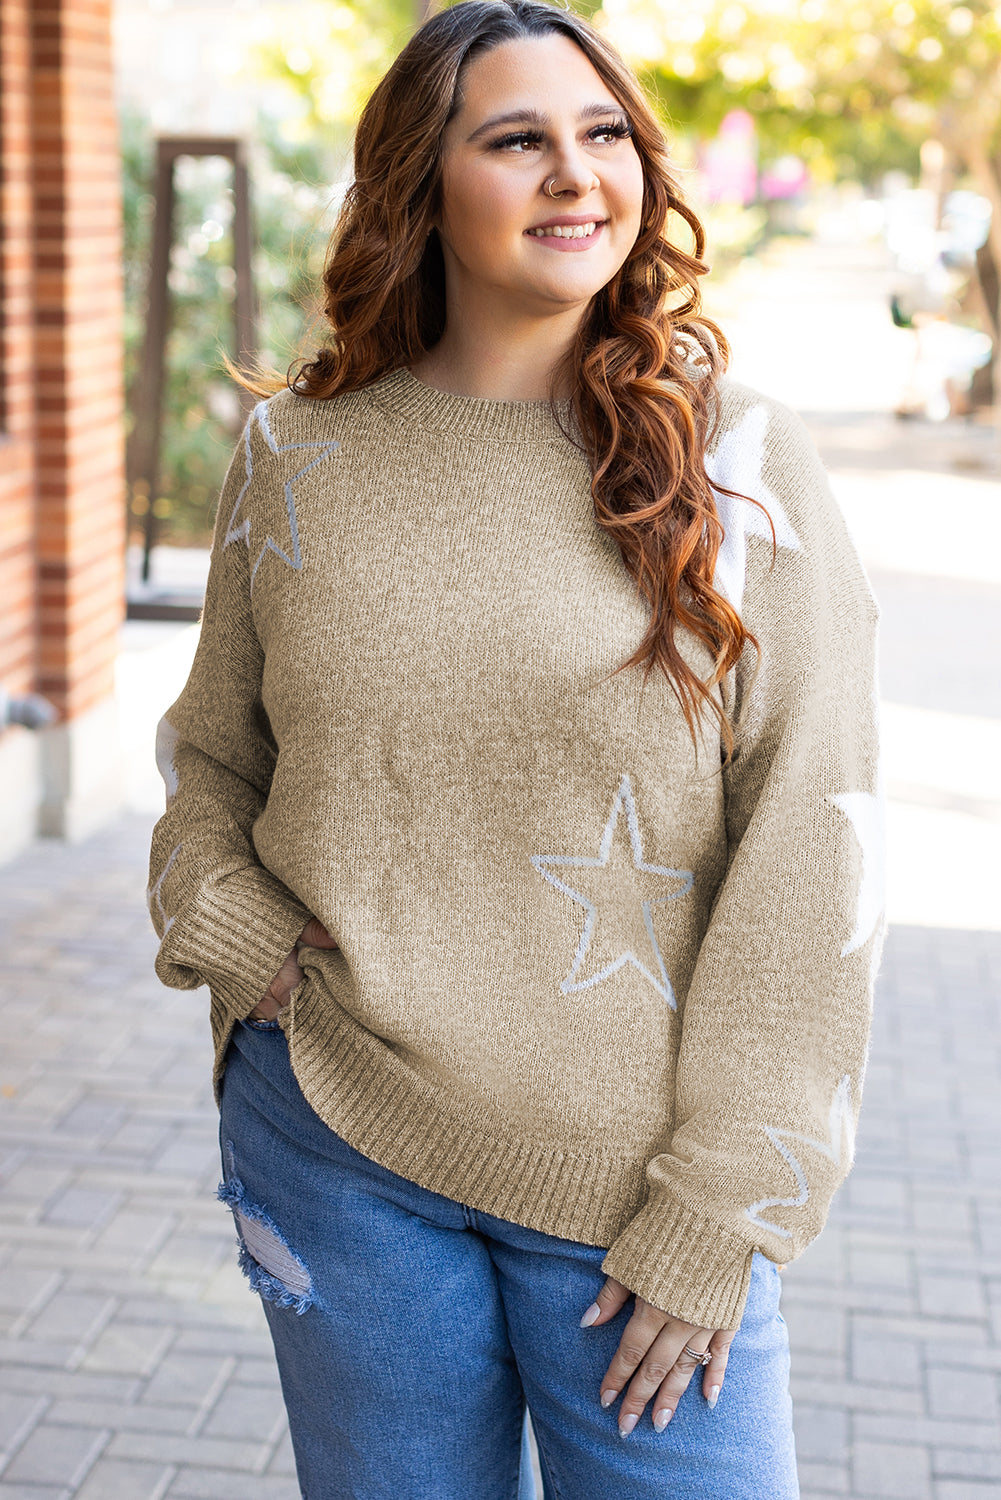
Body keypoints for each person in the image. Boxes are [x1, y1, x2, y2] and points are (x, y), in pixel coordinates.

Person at [146, 2, 882, 1496]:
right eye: (516, 139)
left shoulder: (734, 460)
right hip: (333, 1132)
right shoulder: (298, 452)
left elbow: (816, 841)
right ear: (420, 184)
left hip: (639, 1196)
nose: (575, 174)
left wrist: (726, 1205)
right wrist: (229, 926)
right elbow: (213, 756)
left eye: (602, 134)